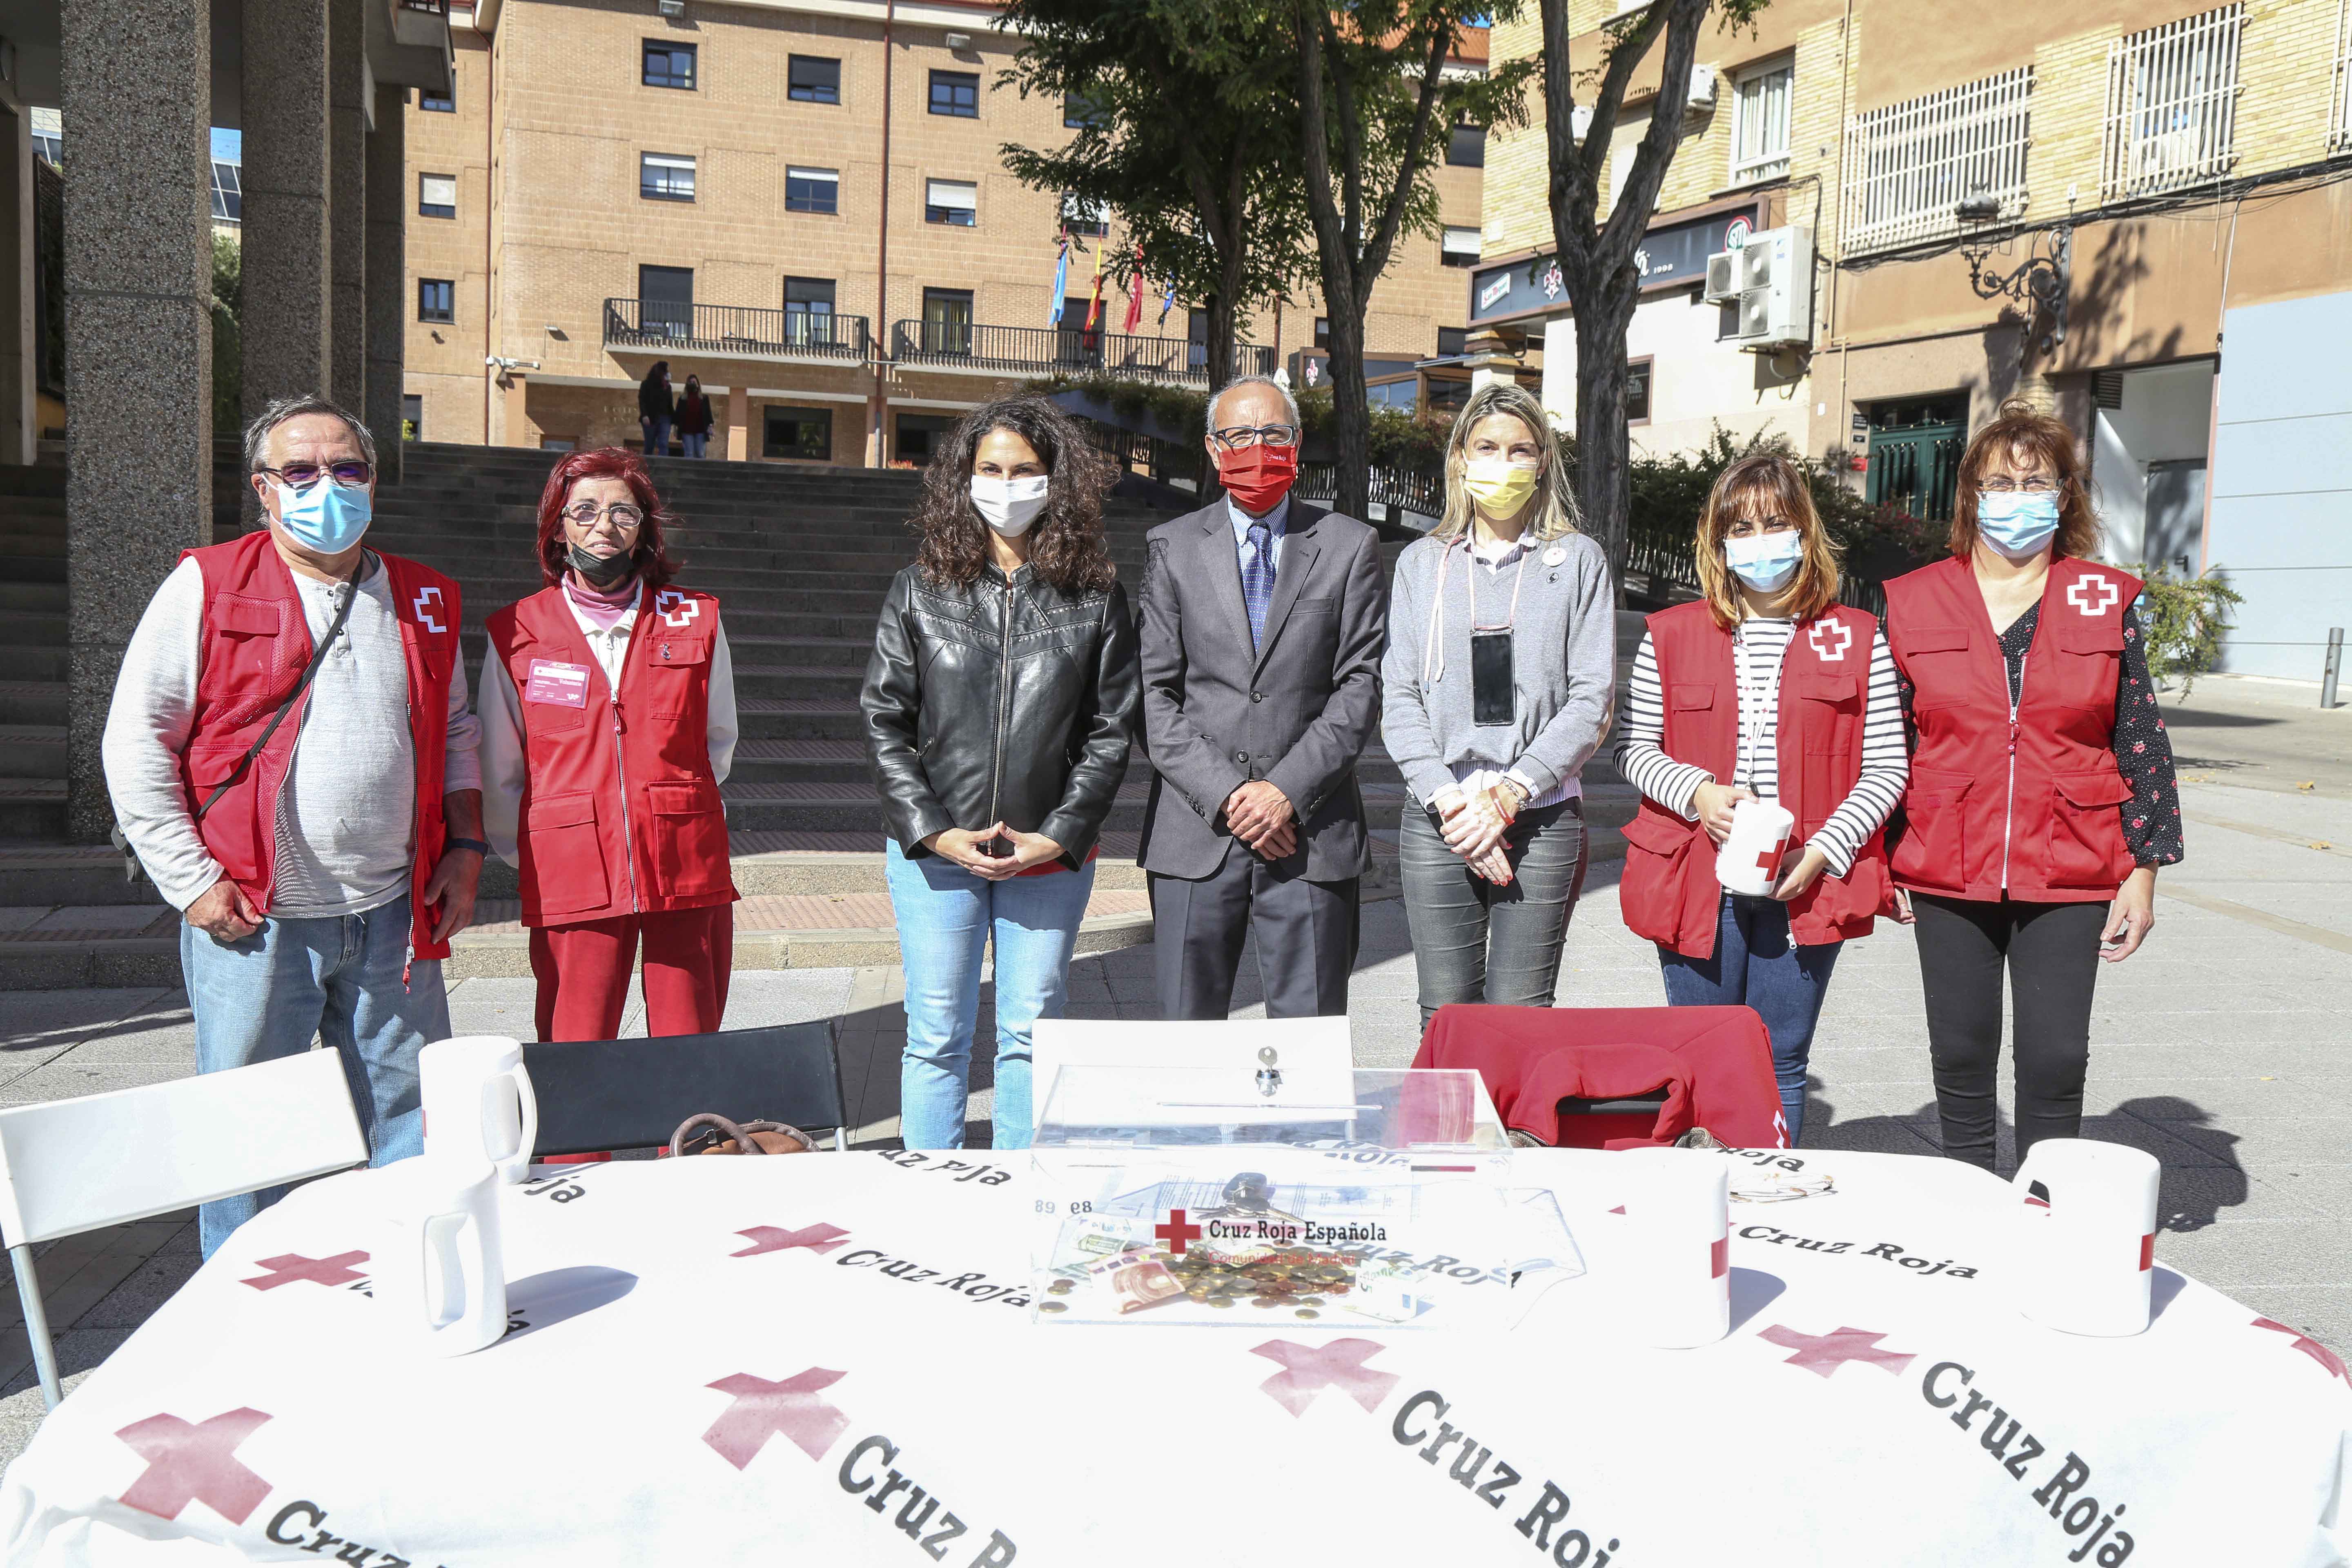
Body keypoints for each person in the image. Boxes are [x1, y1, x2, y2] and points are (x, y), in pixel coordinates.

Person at [102, 395, 485, 1257]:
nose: (327, 487)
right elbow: (136, 740)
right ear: (264, 491)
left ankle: (418, 1285)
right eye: (301, 472)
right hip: (256, 920)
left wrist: (466, 847)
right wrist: (190, 881)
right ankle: (242, 1320)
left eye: (347, 469)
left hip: (394, 914)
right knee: (249, 1146)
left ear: (375, 481)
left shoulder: (425, 597)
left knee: (414, 1130)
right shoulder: (206, 583)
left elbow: (457, 729)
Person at [1883, 403, 2180, 1171]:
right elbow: (1888, 740)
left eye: (2036, 480)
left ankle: (2049, 1209)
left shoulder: (2102, 597)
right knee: (1959, 1052)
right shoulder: (1914, 600)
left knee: (2054, 1058)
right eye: (2000, 481)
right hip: (1947, 860)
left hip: (2072, 864)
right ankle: (1974, 1207)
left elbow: (2139, 738)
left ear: (2065, 495)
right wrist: (1886, 860)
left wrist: (2141, 874)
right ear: (1971, 496)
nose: (2018, 495)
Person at [862, 397, 1138, 1149]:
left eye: (1025, 470)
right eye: (991, 469)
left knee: (1030, 1035)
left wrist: (1062, 835)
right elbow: (885, 721)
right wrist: (931, 832)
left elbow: (1112, 731)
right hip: (937, 858)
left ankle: (1020, 1204)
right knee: (936, 1035)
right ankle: (933, 1198)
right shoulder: (919, 589)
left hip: (1045, 856)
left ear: (1056, 482)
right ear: (965, 478)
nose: (1007, 484)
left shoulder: (1096, 598)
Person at [1613, 454, 1907, 1144]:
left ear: (1805, 533)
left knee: (1781, 1059)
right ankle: (1702, 1202)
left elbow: (1888, 766)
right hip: (1695, 873)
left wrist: (1829, 850)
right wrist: (1697, 793)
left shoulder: (1859, 637)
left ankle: (1769, 1196)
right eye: (1740, 527)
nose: (1760, 540)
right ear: (1717, 543)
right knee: (1700, 1052)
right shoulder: (1672, 634)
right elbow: (1634, 749)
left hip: (1804, 876)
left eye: (1776, 523)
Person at [1137, 374, 1386, 1020]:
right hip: (1197, 834)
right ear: (1215, 448)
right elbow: (1153, 694)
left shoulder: (1348, 544)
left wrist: (1284, 793)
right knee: (1186, 1044)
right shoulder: (1173, 547)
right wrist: (1228, 795)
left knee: (1309, 1047)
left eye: (1274, 433)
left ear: (1297, 443)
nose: (1258, 447)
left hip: (1311, 834)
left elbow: (1360, 684)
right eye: (1240, 434)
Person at [479, 448, 739, 1057]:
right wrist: (532, 851)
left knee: (690, 1033)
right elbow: (501, 764)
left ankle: (688, 1145)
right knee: (577, 1035)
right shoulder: (519, 629)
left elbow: (717, 739)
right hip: (568, 859)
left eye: (624, 511)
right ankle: (579, 1156)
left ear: (645, 528)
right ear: (558, 525)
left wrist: (666, 803)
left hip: (681, 857)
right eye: (586, 509)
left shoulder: (697, 618)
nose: (604, 525)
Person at [1381, 383, 1615, 1028]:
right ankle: (1448, 1134)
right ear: (1459, 457)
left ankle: (1520, 1134)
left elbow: (1592, 698)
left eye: (1520, 450)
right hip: (1441, 814)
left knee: (1521, 1013)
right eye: (1486, 447)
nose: (1502, 463)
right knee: (1446, 1010)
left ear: (1543, 462)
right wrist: (1454, 806)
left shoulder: (1577, 563)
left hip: (1539, 815)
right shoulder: (1422, 565)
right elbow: (1399, 695)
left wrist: (1510, 796)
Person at [638, 361, 674, 457]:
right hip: (651, 418)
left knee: (663, 443)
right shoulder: (646, 384)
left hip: (665, 418)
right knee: (650, 444)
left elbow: (670, 404)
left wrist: (674, 419)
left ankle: (663, 466)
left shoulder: (667, 386)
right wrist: (645, 415)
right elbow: (642, 400)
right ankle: (648, 467)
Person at [676, 374, 713, 459]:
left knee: (700, 454)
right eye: (690, 382)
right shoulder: (683, 399)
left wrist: (710, 426)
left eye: (694, 382)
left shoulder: (704, 398)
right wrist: (676, 427)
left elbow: (708, 414)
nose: (692, 384)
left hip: (700, 430)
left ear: (698, 384)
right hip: (687, 430)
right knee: (689, 454)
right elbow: (678, 414)